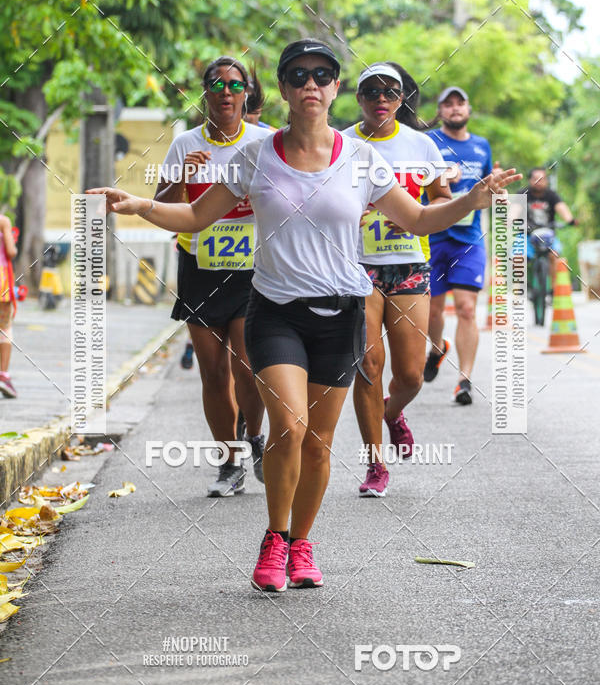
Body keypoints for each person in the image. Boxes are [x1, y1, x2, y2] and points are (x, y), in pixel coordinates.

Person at [88, 38, 521, 593]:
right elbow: (195, 216)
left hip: (340, 314)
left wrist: (472, 199)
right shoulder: (256, 155)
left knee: (318, 442)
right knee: (289, 427)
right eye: (298, 75)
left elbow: (417, 219)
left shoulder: (361, 159)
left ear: (335, 88)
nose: (310, 84)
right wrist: (139, 205)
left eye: (321, 75)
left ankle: (302, 543)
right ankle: (274, 537)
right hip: (275, 313)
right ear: (284, 89)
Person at [154, 56, 270, 495]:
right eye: (217, 85)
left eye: (235, 85)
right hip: (199, 268)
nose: (226, 92)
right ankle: (229, 463)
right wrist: (182, 178)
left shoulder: (264, 142)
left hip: (251, 271)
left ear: (246, 94)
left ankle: (254, 435)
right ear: (204, 93)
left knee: (248, 367)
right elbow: (161, 206)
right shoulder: (185, 144)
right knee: (214, 374)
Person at [344, 62, 452, 497]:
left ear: (401, 97)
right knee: (369, 366)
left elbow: (441, 198)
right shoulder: (341, 144)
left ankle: (392, 413)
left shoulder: (421, 145)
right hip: (356, 266)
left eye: (390, 91)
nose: (381, 98)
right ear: (359, 98)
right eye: (371, 91)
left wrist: (415, 213)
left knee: (410, 375)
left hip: (409, 265)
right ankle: (375, 464)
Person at [424, 86, 493, 405]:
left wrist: (495, 189)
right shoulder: (428, 143)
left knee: (467, 308)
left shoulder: (482, 146)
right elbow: (411, 184)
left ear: (468, 109)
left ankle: (464, 380)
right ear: (439, 110)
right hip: (433, 236)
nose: (455, 108)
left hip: (469, 240)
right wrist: (440, 180)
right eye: (448, 104)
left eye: (460, 103)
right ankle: (437, 347)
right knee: (433, 311)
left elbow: (488, 189)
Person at [522, 167, 576, 283]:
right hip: (527, 235)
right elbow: (514, 210)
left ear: (546, 181)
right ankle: (518, 291)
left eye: (542, 179)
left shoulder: (552, 195)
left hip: (548, 235)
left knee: (554, 255)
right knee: (519, 258)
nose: (538, 182)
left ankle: (553, 288)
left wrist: (570, 220)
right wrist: (510, 219)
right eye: (535, 179)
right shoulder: (523, 193)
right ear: (530, 180)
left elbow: (561, 208)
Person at [0, 214, 18, 399]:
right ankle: (3, 376)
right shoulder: (3, 221)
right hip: (2, 281)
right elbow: (11, 252)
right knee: (4, 328)